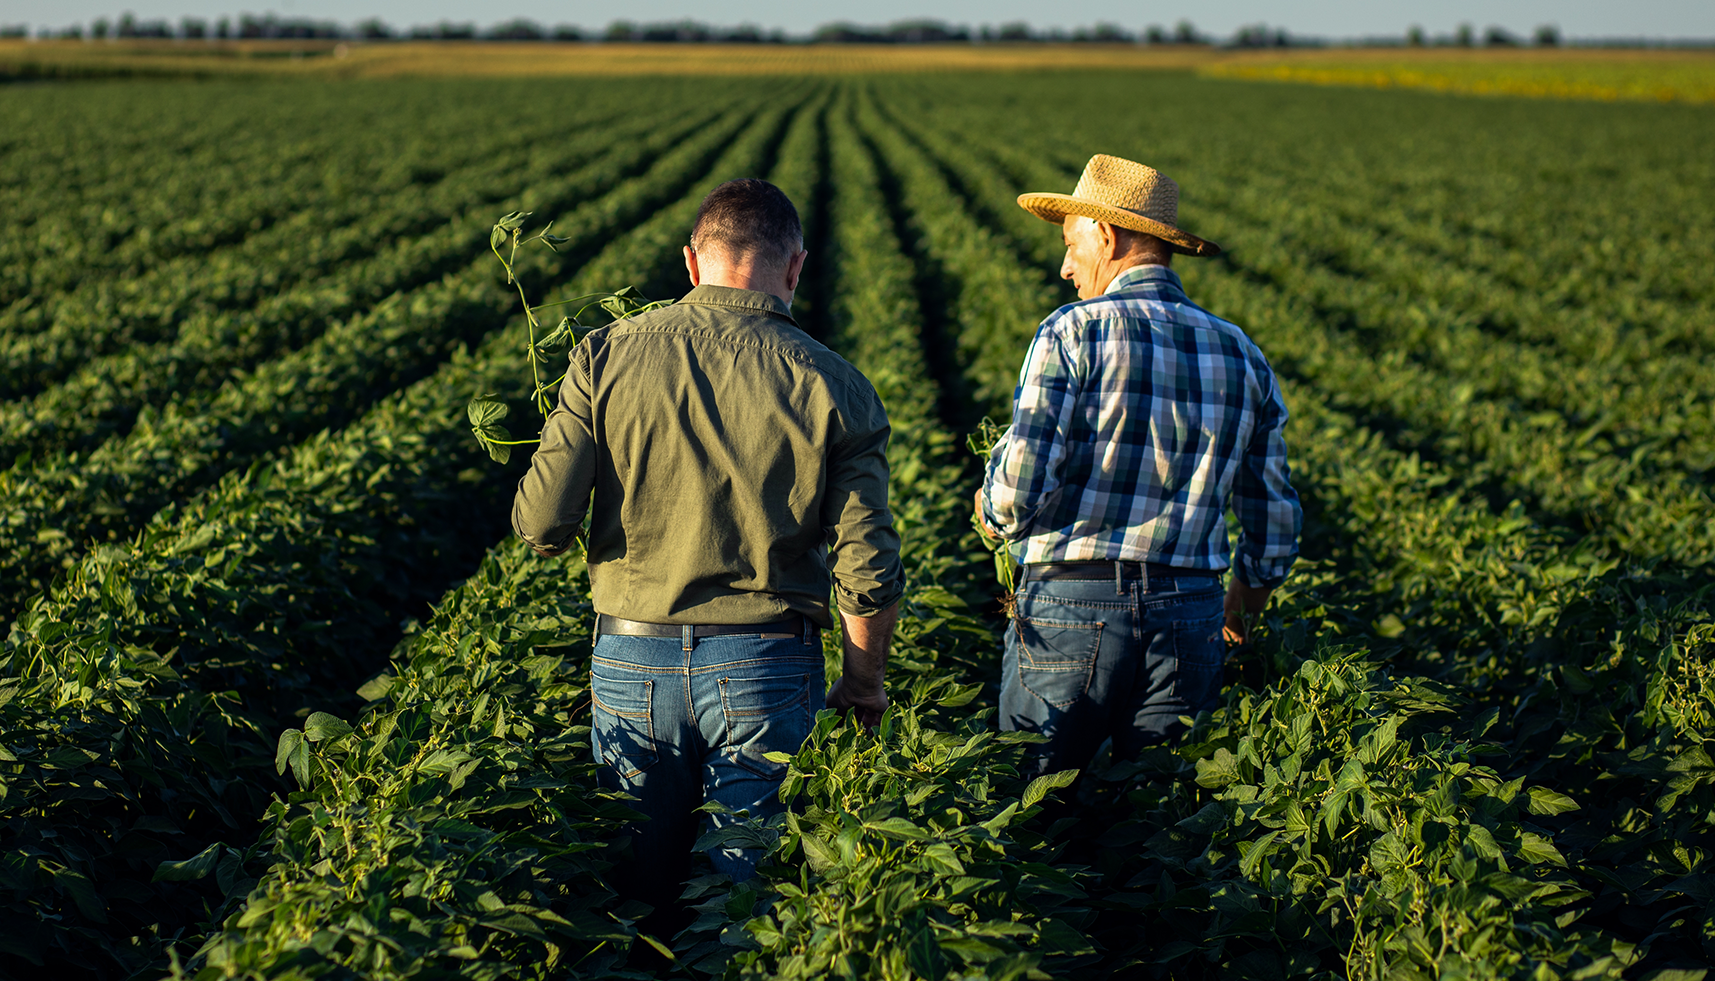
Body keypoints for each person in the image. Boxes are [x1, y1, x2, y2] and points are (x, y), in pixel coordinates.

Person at [511, 178, 903, 926]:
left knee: (634, 907)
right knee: (744, 909)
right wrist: (863, 682)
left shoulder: (605, 356)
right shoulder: (834, 382)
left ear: (692, 262)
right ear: (794, 269)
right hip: (766, 668)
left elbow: (541, 526)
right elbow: (868, 567)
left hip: (630, 663)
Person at [975, 154, 1301, 774]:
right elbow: (1274, 523)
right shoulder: (1241, 351)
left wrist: (989, 512)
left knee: (1038, 817)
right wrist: (1237, 612)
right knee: (1158, 827)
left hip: (1071, 604)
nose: (1065, 266)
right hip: (1192, 614)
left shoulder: (1072, 332)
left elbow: (1015, 495)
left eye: (1072, 244)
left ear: (1108, 234)